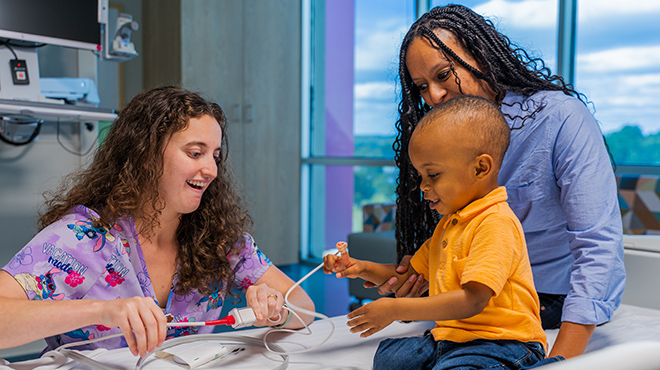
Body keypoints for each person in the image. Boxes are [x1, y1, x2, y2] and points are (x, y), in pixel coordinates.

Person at [369, 4, 625, 359]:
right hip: (473, 299)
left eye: (444, 75)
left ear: (481, 56)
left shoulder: (560, 119)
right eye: (422, 87)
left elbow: (598, 245)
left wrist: (561, 360)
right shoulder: (446, 138)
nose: (434, 96)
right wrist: (425, 276)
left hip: (545, 300)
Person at [0, 86, 315, 358]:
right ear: (146, 155)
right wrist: (103, 311)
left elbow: (303, 306)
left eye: (215, 156)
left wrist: (276, 311)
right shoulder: (82, 239)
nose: (211, 170)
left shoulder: (219, 238)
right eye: (195, 153)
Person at [325, 95, 561, 369]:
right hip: (453, 339)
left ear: (480, 168)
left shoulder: (496, 223)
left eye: (433, 175)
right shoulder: (450, 225)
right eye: (421, 176)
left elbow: (472, 301)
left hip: (503, 343)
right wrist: (359, 266)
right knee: (391, 359)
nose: (423, 186)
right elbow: (407, 278)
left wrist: (395, 309)